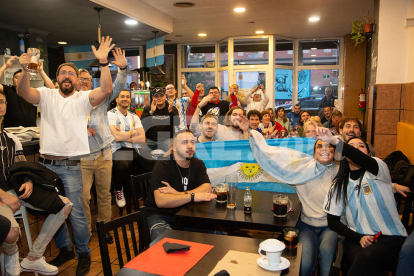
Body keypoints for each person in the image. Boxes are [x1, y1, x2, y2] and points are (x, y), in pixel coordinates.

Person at [16, 36, 115, 276]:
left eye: (71, 73)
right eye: (63, 73)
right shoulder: (46, 95)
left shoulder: (83, 99)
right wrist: (24, 68)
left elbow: (106, 89)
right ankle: (65, 249)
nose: (67, 76)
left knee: (78, 214)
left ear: (76, 79)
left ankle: (83, 253)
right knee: (54, 210)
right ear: (57, 78)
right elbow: (23, 92)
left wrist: (103, 63)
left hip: (72, 167)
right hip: (46, 167)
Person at [0, 90, 72, 276]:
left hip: (15, 190)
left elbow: (22, 166)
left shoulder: (12, 138)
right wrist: (3, 195)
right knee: (11, 232)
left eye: (1, 102)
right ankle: (12, 253)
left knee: (64, 204)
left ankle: (34, 257)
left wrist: (29, 180)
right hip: (2, 194)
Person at [250, 131, 339, 276]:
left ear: (335, 152)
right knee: (304, 265)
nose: (324, 148)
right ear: (314, 153)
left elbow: (354, 157)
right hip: (307, 226)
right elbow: (274, 163)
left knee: (327, 257)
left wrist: (336, 140)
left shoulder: (342, 173)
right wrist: (255, 137)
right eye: (319, 146)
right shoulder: (302, 171)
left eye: (329, 146)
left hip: (331, 226)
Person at [320, 128, 407, 276]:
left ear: (368, 153)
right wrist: (359, 238)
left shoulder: (378, 170)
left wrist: (335, 141)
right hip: (359, 239)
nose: (356, 149)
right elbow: (333, 221)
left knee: (367, 257)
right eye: (351, 146)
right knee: (364, 260)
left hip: (391, 239)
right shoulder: (339, 184)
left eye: (361, 146)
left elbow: (362, 159)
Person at [79, 47, 128, 243]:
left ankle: (104, 228)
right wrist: (80, 129)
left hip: (104, 152)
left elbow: (117, 87)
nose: (85, 82)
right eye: (81, 79)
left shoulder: (100, 98)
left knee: (104, 194)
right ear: (75, 82)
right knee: (84, 197)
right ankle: (86, 231)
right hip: (82, 156)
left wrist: (123, 69)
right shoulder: (70, 101)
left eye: (88, 80)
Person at [145, 130, 217, 241]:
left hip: (188, 214)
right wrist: (192, 196)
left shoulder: (198, 164)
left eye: (193, 142)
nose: (190, 146)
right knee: (164, 248)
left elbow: (207, 188)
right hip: (162, 216)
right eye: (184, 142)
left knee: (216, 238)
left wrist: (178, 194)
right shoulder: (163, 166)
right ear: (174, 147)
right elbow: (161, 201)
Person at [108, 89, 156, 207]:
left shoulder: (134, 116)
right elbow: (116, 138)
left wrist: (123, 135)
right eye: (122, 96)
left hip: (135, 148)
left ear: (130, 100)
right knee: (122, 165)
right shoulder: (111, 114)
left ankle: (152, 191)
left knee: (154, 162)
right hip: (118, 149)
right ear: (117, 99)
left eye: (127, 97)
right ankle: (118, 190)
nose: (125, 99)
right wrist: (134, 132)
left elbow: (142, 139)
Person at [0, 56, 53, 128]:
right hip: (12, 132)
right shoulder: (8, 90)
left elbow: (53, 91)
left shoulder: (32, 92)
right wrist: (5, 66)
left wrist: (41, 71)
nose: (19, 79)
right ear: (12, 81)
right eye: (16, 77)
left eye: (21, 77)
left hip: (32, 132)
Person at [141, 87, 179, 152]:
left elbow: (177, 123)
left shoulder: (172, 108)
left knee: (174, 152)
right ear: (153, 98)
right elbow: (142, 124)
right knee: (141, 153)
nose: (159, 98)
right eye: (156, 96)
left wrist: (170, 111)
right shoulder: (147, 109)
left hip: (167, 139)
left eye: (161, 95)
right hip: (151, 139)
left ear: (165, 96)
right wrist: (151, 112)